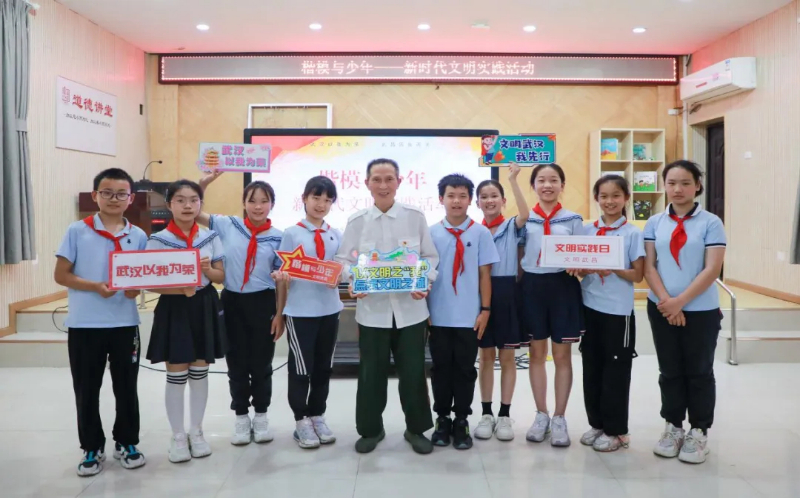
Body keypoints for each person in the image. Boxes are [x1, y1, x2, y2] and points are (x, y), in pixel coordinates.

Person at [335, 158, 439, 455]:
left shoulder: (414, 217)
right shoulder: (357, 221)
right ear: (366, 183)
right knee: (371, 374)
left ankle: (416, 429)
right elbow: (343, 261)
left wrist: (424, 281)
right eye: (377, 179)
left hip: (411, 312)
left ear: (399, 182)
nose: (383, 185)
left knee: (414, 373)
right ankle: (371, 430)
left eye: (389, 179)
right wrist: (354, 280)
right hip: (372, 313)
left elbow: (430, 257)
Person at [55, 168, 148, 476]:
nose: (114, 199)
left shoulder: (139, 236)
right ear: (95, 195)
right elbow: (61, 275)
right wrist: (95, 286)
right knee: (86, 389)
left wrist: (135, 289)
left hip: (125, 323)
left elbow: (140, 276)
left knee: (127, 387)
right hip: (85, 325)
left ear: (131, 199)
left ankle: (127, 442)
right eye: (107, 193)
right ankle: (91, 447)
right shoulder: (76, 230)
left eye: (121, 194)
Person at [644, 160, 726, 464]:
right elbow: (649, 266)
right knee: (670, 370)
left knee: (699, 371)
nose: (678, 189)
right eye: (671, 183)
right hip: (661, 307)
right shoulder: (655, 222)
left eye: (685, 183)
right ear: (664, 185)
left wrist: (680, 302)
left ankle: (699, 430)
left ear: (697, 186)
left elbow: (712, 269)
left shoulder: (711, 222)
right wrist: (667, 301)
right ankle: (673, 426)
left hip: (700, 310)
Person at [197, 172, 285, 446]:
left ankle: (261, 415)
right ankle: (241, 416)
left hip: (264, 302)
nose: (258, 206)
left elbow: (281, 280)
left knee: (262, 363)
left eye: (264, 201)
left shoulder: (279, 238)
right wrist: (204, 184)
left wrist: (280, 314)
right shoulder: (228, 225)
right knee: (235, 362)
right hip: (232, 301)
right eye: (252, 200)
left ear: (272, 204)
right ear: (244, 203)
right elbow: (194, 211)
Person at [145, 179, 226, 463]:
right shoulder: (157, 240)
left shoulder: (210, 236)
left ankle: (197, 432)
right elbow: (149, 282)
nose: (188, 205)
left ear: (201, 204)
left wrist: (208, 271)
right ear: (169, 205)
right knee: (177, 372)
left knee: (200, 370)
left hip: (204, 304)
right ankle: (178, 435)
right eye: (180, 200)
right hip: (174, 307)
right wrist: (179, 289)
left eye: (194, 200)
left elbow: (220, 276)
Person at [428, 174, 499, 450]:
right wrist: (425, 310)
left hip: (469, 316)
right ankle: (442, 419)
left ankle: (461, 420)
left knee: (465, 369)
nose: (456, 201)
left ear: (471, 200)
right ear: (441, 199)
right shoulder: (431, 233)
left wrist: (485, 310)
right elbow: (423, 275)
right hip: (438, 315)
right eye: (451, 196)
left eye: (462, 196)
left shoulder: (480, 233)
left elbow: (485, 274)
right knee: (440, 369)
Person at [272, 176, 343, 449]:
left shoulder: (336, 234)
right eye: (316, 197)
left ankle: (317, 415)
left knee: (324, 368)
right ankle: (301, 419)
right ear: (304, 198)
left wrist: (341, 276)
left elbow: (343, 266)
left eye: (327, 200)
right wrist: (280, 311)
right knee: (301, 369)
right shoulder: (292, 233)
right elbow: (283, 274)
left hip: (330, 310)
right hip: (301, 312)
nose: (321, 204)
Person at [517, 163, 584, 447]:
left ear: (562, 185)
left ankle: (559, 417)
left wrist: (578, 266)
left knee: (562, 356)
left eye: (553, 180)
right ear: (533, 186)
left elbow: (583, 258)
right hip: (532, 287)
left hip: (562, 287)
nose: (547, 185)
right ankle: (541, 414)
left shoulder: (573, 219)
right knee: (536, 354)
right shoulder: (524, 219)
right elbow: (518, 255)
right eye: (541, 180)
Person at [578, 175, 644, 452]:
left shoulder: (632, 233)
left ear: (626, 198)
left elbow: (638, 275)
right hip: (589, 307)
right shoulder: (586, 231)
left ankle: (616, 431)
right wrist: (583, 268)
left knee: (616, 371)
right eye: (603, 196)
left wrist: (613, 266)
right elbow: (580, 269)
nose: (609, 201)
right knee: (591, 367)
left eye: (616, 195)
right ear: (596, 199)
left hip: (618, 312)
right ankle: (597, 423)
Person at [473, 164, 529, 441]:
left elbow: (525, 214)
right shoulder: (474, 230)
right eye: (484, 197)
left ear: (503, 200)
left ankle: (505, 414)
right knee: (485, 357)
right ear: (477, 203)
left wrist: (513, 180)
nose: (489, 200)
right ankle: (486, 413)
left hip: (507, 293)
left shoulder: (511, 226)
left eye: (494, 195)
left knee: (507, 356)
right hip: (481, 295)